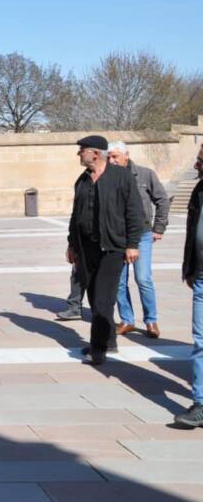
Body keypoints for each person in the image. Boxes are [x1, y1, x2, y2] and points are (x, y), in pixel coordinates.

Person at [67, 135, 144, 366]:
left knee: (103, 299)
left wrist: (132, 244)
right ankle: (109, 341)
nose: (78, 154)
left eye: (82, 150)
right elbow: (75, 215)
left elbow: (134, 211)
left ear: (95, 153)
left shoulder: (121, 176)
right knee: (94, 297)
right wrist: (72, 244)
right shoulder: (82, 180)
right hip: (86, 248)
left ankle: (98, 349)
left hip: (112, 247)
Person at [108, 141, 171, 338]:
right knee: (119, 282)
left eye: (115, 156)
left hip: (142, 234)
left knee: (143, 278)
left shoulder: (145, 174)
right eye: (108, 157)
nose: (111, 161)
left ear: (126, 155)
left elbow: (162, 200)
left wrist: (158, 228)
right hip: (118, 237)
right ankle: (127, 320)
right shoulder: (107, 176)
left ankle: (151, 320)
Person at [174, 144, 203, 428]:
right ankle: (201, 404)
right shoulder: (198, 190)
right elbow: (192, 232)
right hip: (202, 277)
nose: (196, 165)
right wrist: (189, 268)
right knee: (201, 342)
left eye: (201, 160)